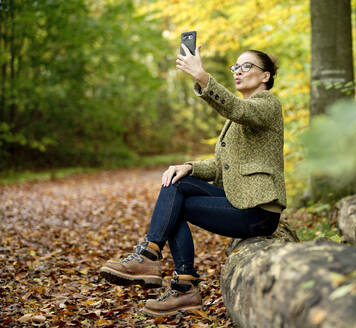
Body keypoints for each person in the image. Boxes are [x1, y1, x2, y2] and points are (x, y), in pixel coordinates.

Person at [99, 43, 286, 317]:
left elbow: (236, 109)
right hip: (241, 200)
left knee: (174, 208)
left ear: (265, 76)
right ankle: (173, 275)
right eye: (236, 66)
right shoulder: (242, 112)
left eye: (247, 66)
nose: (238, 71)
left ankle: (163, 268)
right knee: (175, 186)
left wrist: (201, 76)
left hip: (258, 211)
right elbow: (221, 167)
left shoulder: (267, 104)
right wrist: (187, 167)